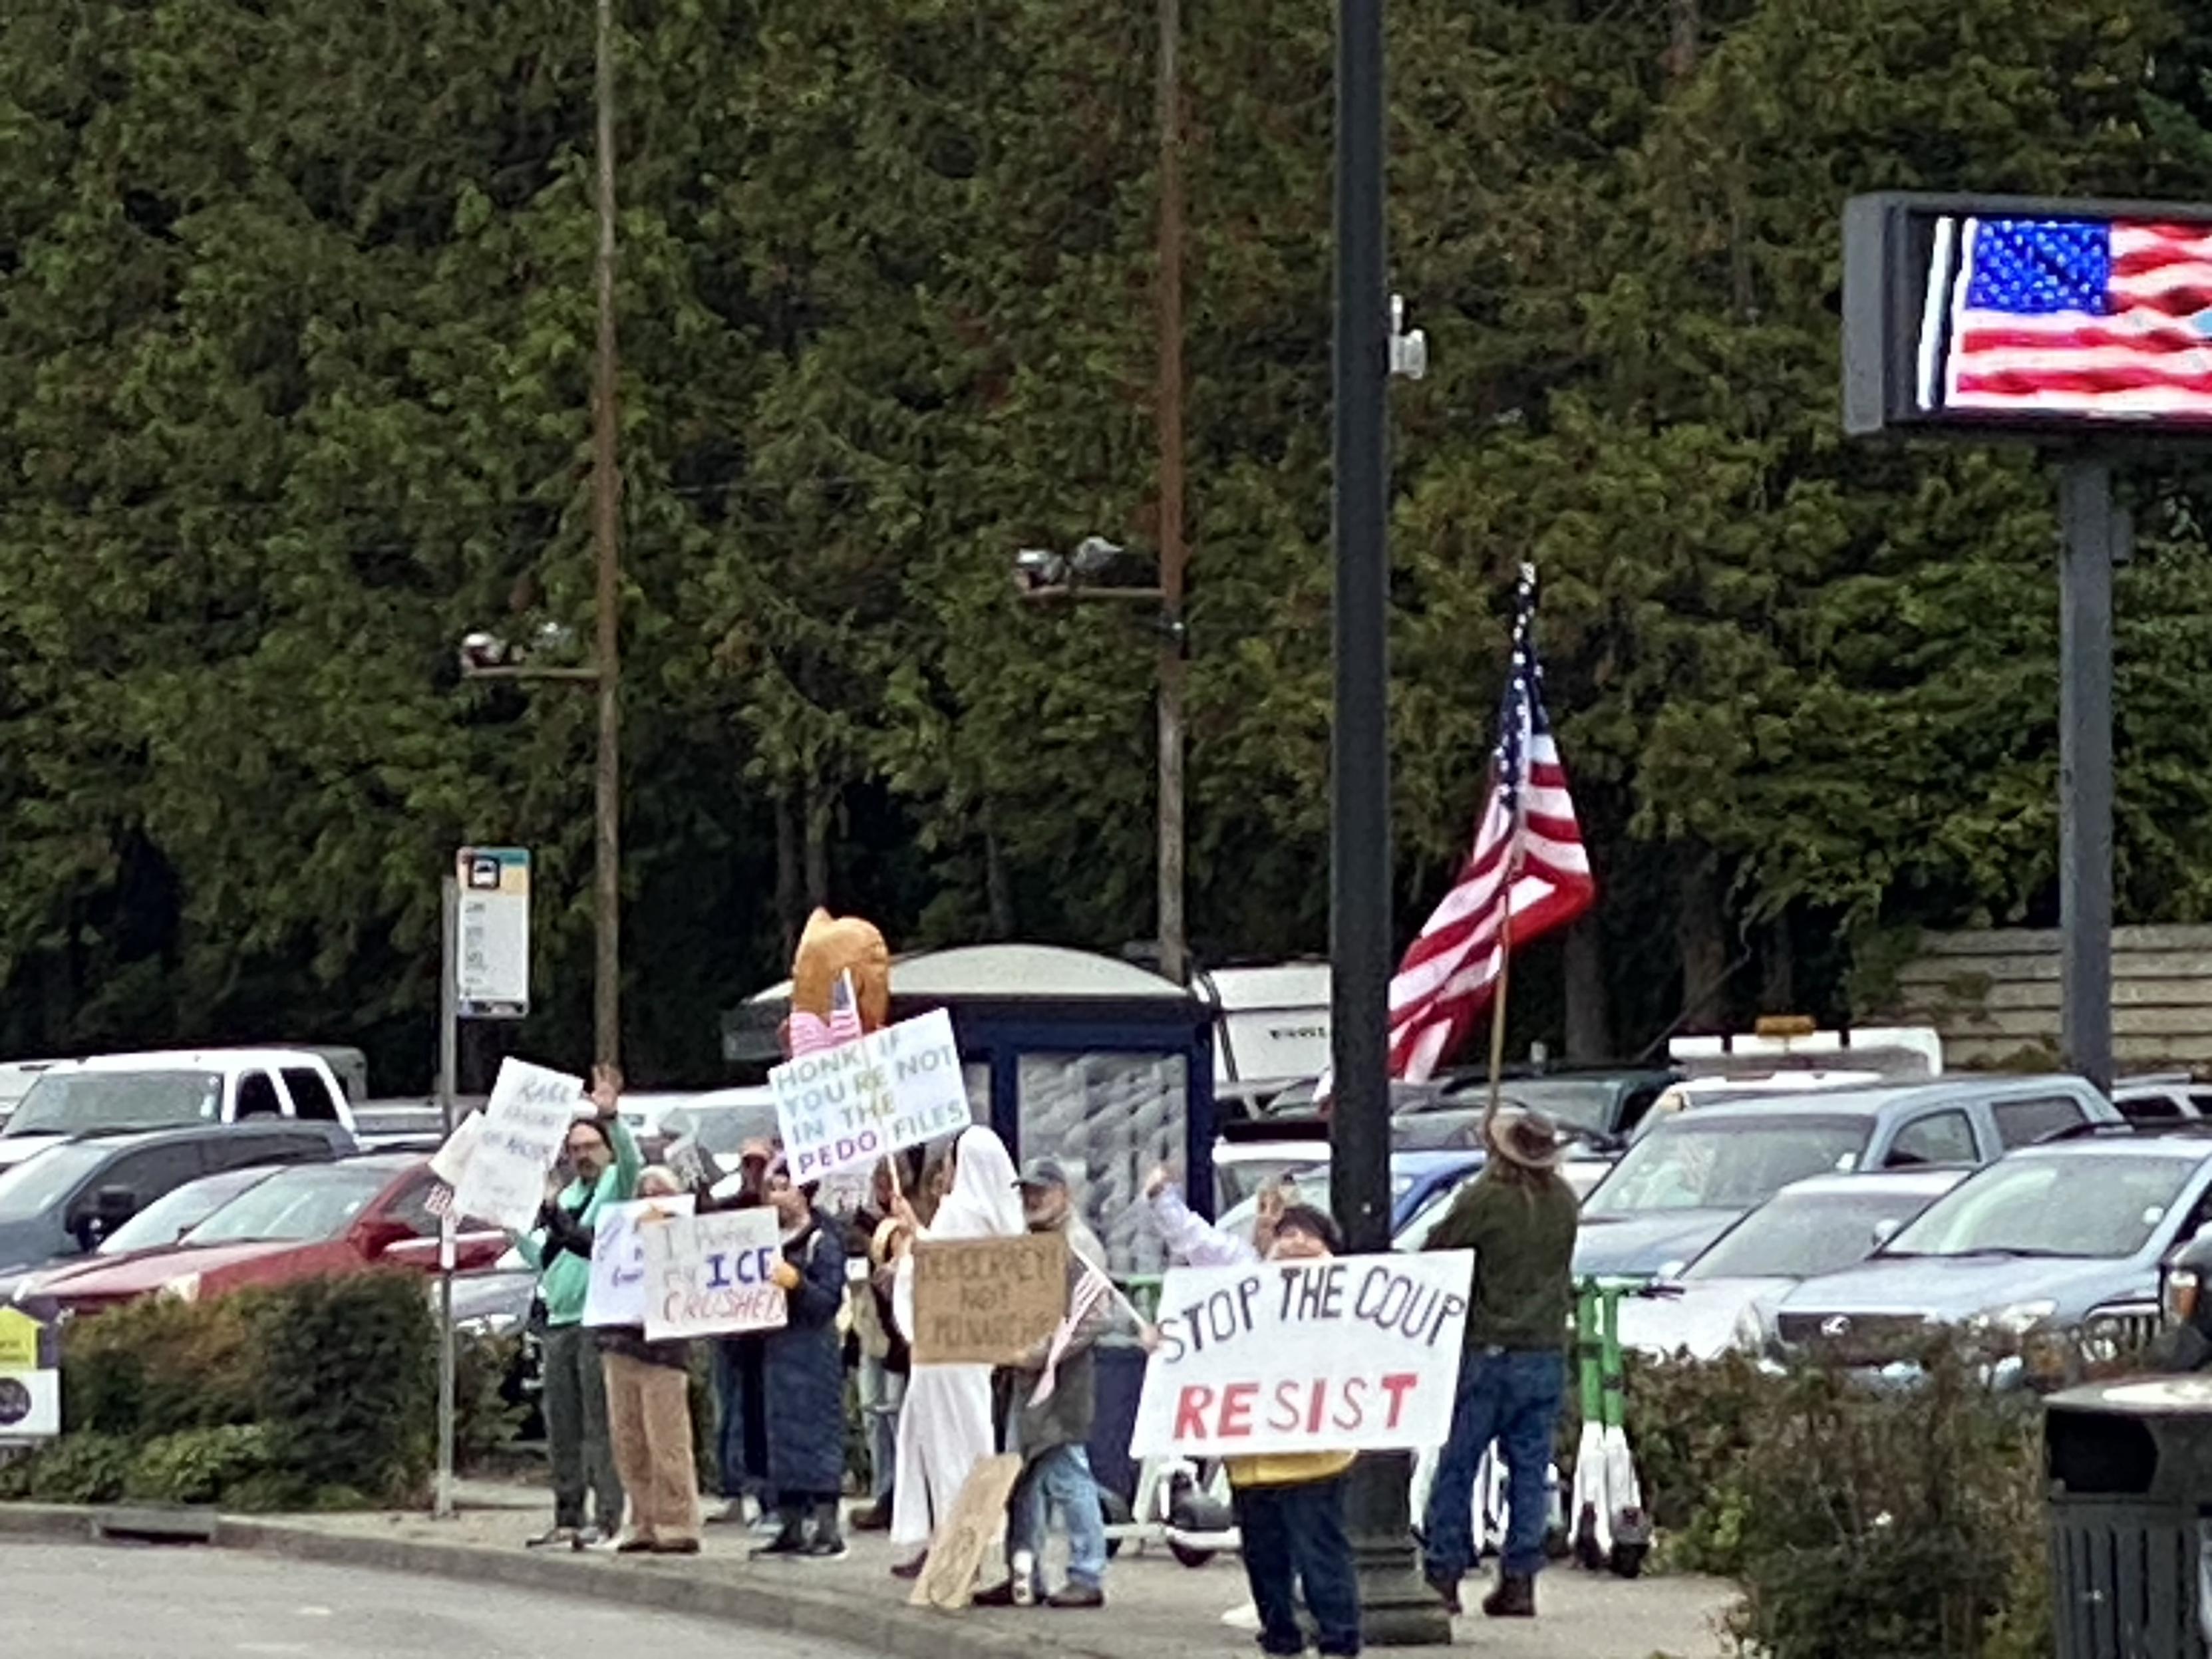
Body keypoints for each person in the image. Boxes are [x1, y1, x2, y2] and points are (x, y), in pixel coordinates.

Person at [1420, 1105, 1579, 1619]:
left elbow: (1440, 1250)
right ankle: (1519, 1578)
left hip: (1488, 1348)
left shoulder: (1485, 1199)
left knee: (1459, 1466)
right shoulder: (1563, 1203)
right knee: (1529, 1471)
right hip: (1544, 1348)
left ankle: (1443, 1574)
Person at [887, 1125, 1027, 1576]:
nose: (944, 1171)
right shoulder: (999, 1217)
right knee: (965, 1442)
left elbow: (937, 1274)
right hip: (970, 1354)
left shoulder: (960, 1212)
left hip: (945, 1355)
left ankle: (954, 1550)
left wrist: (909, 1243)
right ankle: (953, 1543)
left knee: (948, 1448)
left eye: (950, 1161)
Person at [1224, 1203, 1362, 1658]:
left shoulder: (1347, 1297)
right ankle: (1280, 1636)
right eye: (1288, 1233)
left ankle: (1338, 1639)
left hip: (1314, 1453)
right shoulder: (1246, 1292)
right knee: (1264, 1559)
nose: (1297, 1242)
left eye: (1309, 1234)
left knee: (1320, 1552)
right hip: (1251, 1456)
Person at [975, 1158, 1112, 1610]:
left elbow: (1095, 1316)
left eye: (1041, 1191)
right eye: (1026, 1192)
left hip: (1061, 1383)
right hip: (1022, 1384)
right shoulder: (1028, 1246)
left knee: (1067, 1473)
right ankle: (1023, 1574)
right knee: (1025, 1479)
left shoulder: (1078, 1246)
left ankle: (1087, 1574)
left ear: (1064, 1195)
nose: (1031, 1199)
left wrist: (1036, 1355)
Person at [513, 1064, 640, 1549]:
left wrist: (611, 1117)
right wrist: (510, 1222)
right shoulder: (565, 1195)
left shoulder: (615, 1187)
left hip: (597, 1319)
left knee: (598, 1427)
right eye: (576, 1149)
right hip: (559, 1322)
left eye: (590, 1147)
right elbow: (541, 1257)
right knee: (561, 1426)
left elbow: (629, 1164)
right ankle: (567, 1513)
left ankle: (608, 1516)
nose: (583, 1155)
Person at [722, 1160, 852, 1559]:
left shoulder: (821, 1241)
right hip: (767, 1353)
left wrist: (798, 1284)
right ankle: (790, 1524)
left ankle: (828, 1528)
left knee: (813, 1435)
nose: (774, 1196)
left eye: (783, 1187)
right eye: (770, 1189)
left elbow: (826, 1301)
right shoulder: (762, 1239)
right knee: (773, 1439)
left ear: (803, 1192)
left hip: (808, 1354)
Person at [596, 1165, 702, 1555]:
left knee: (667, 1441)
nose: (653, 1200)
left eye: (662, 1193)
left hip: (663, 1352)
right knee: (629, 1441)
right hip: (621, 1344)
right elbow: (586, 1248)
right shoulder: (620, 1236)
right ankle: (642, 1520)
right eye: (646, 1193)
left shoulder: (688, 1237)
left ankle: (678, 1522)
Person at [708, 1138, 777, 1527]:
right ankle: (733, 1490)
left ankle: (763, 1492)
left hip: (764, 1333)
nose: (753, 1171)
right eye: (747, 1164)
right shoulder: (732, 1207)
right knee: (728, 1413)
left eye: (760, 1164)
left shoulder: (777, 1209)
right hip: (731, 1329)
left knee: (759, 1415)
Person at [848, 1157, 913, 1532]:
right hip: (870, 1330)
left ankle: (900, 1495)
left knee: (898, 1418)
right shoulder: (863, 1225)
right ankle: (884, 1488)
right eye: (881, 1182)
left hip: (899, 1341)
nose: (886, 1189)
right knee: (875, 1415)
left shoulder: (912, 1224)